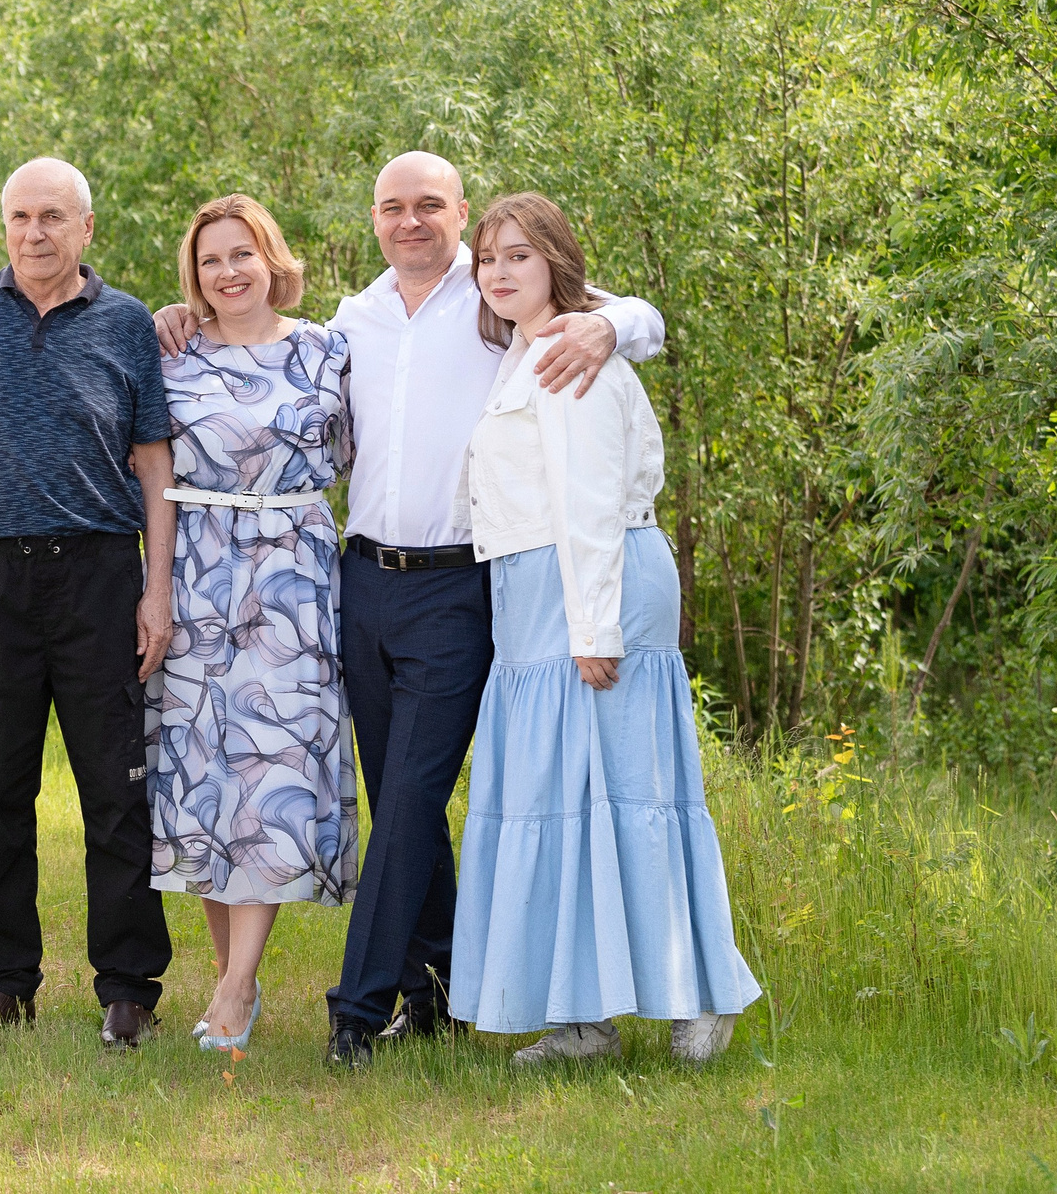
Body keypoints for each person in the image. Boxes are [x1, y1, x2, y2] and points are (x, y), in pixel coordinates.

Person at [154, 151, 665, 1069]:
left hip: (457, 585)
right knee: (403, 797)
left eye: (430, 203)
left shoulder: (496, 297)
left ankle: (355, 1009)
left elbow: (638, 318)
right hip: (360, 581)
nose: (411, 220)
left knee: (412, 792)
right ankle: (440, 994)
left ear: (460, 211)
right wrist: (178, 314)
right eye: (393, 206)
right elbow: (261, 370)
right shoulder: (353, 321)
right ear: (375, 219)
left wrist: (609, 325)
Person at [448, 193, 759, 1062]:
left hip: (592, 584)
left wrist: (594, 627)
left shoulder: (569, 352)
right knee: (560, 801)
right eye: (488, 257)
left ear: (555, 259)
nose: (500, 271)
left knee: (632, 791)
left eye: (519, 254)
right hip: (535, 593)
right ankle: (582, 1016)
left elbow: (586, 500)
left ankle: (703, 991)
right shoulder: (528, 348)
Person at [0, 157, 179, 1048]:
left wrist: (156, 586)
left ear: (86, 227)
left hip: (99, 574)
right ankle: (3, 982)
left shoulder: (127, 322)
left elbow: (155, 462)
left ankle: (129, 988)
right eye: (21, 216)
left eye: (53, 217)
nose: (35, 232)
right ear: (5, 226)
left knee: (117, 790)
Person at [149, 194, 358, 1054]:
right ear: (193, 276)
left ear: (273, 258)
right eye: (211, 260)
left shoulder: (328, 349)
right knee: (203, 769)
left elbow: (359, 455)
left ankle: (237, 984)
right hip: (197, 569)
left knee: (273, 765)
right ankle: (231, 974)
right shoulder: (169, 351)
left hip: (291, 577)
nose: (228, 271)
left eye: (243, 253)